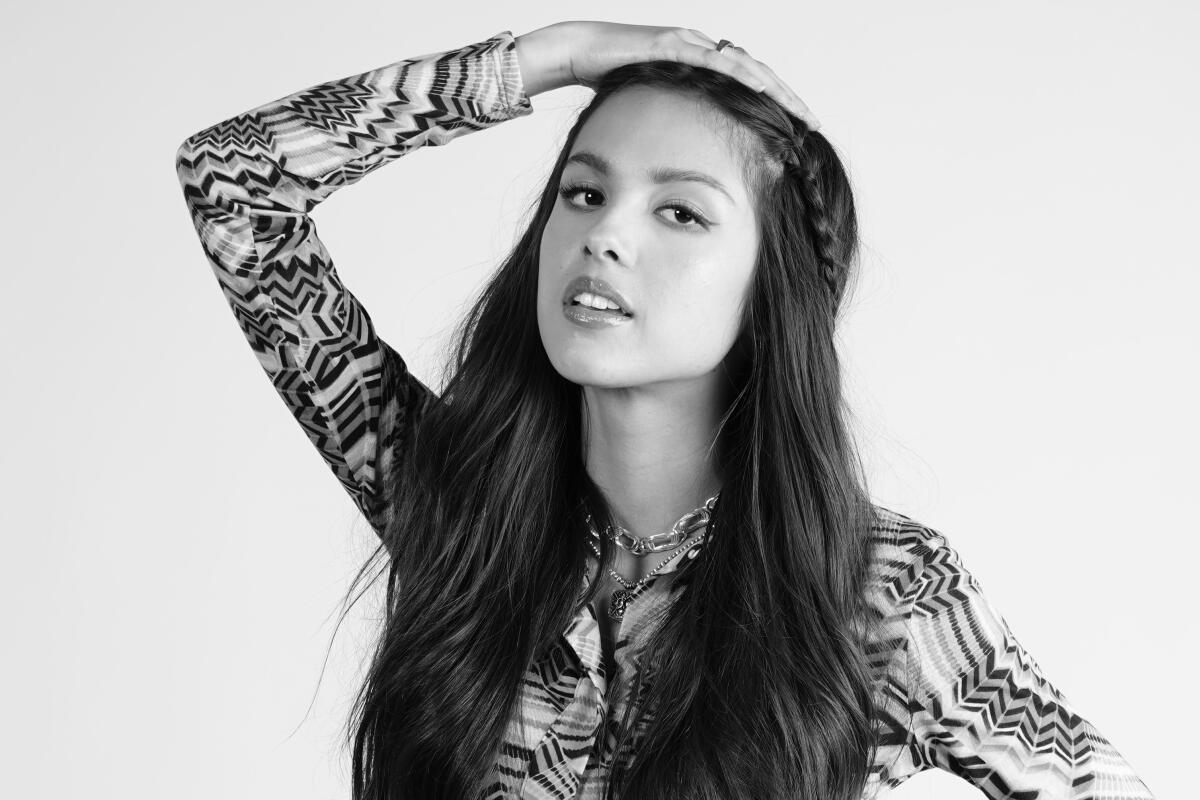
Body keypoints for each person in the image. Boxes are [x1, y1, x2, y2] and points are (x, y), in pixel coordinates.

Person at [174, 20, 1155, 800]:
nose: (604, 235)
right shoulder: (456, 503)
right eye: (585, 191)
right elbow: (235, 184)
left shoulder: (878, 587)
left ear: (769, 289)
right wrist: (549, 57)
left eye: (679, 210)